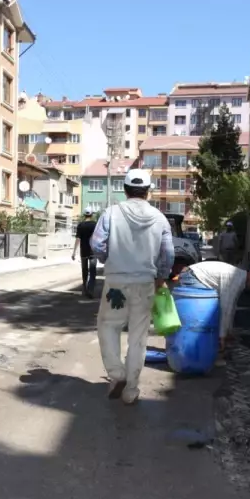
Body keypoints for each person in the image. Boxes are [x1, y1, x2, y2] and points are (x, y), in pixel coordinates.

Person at [91, 169, 174, 404]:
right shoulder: (159, 218)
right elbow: (168, 253)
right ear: (148, 192)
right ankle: (131, 391)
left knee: (108, 327)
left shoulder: (111, 213)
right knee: (138, 337)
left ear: (125, 190)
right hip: (145, 283)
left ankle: (117, 375)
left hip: (116, 282)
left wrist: (110, 259)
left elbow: (97, 244)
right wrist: (162, 276)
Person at [175, 260, 250, 352]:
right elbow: (225, 308)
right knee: (203, 315)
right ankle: (193, 346)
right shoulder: (235, 279)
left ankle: (199, 344)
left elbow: (232, 307)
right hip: (192, 275)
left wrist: (228, 331)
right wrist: (222, 337)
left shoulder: (239, 278)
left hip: (192, 273)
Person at [73, 208, 98, 298]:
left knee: (84, 270)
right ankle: (90, 290)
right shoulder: (95, 225)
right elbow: (98, 238)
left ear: (84, 215)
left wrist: (74, 252)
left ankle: (84, 288)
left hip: (83, 251)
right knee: (92, 271)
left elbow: (78, 239)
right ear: (91, 215)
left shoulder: (80, 225)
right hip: (93, 251)